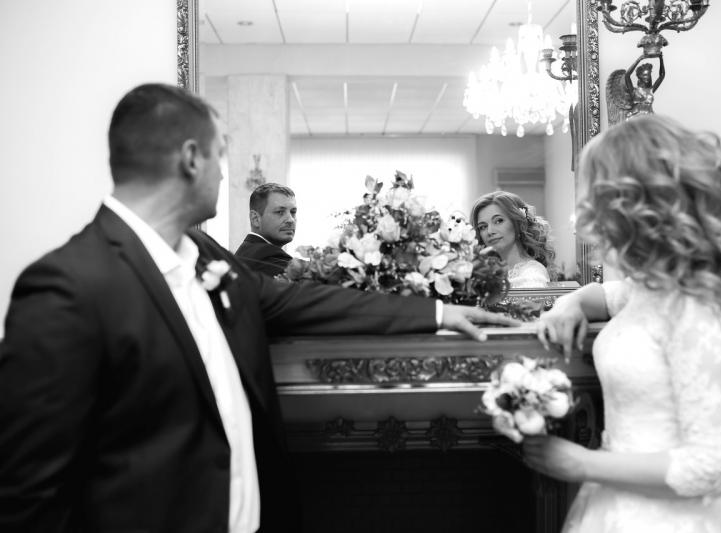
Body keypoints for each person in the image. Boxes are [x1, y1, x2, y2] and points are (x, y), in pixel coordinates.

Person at [0, 83, 519, 533]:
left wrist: (437, 314)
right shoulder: (67, 288)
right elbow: (29, 496)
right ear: (191, 159)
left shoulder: (206, 256)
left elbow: (301, 301)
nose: (224, 175)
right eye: (220, 156)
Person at [525, 114, 721, 532]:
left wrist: (582, 464)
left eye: (597, 194)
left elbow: (714, 466)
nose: (589, 210)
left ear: (635, 203)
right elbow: (604, 296)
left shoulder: (696, 311)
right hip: (618, 504)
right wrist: (569, 304)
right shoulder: (651, 288)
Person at [470, 190, 555, 288]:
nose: (490, 231)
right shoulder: (486, 273)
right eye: (483, 227)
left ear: (518, 224)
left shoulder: (533, 275)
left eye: (498, 221)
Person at [235, 182, 296, 277]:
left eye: (293, 212)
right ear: (255, 219)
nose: (290, 220)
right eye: (280, 212)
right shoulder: (269, 259)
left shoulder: (247, 251)